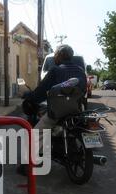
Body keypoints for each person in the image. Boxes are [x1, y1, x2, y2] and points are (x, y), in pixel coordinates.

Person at [18, 45, 87, 176]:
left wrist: (27, 95)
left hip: (57, 112)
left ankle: (26, 165)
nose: (55, 56)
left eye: (55, 54)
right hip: (76, 111)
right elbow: (83, 90)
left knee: (35, 133)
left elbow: (40, 93)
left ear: (60, 56)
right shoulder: (80, 71)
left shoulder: (55, 71)